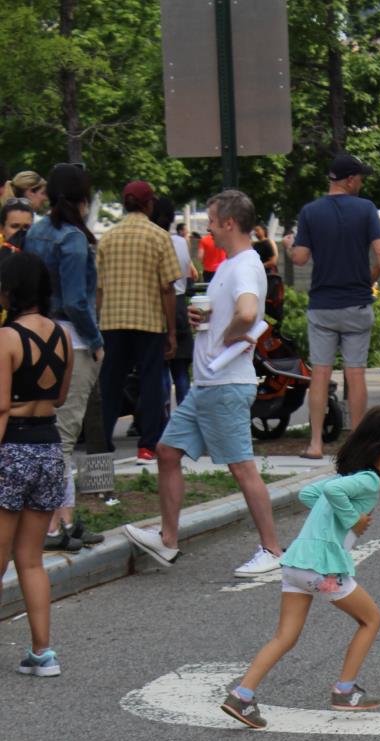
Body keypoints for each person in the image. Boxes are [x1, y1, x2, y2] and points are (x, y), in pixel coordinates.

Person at [219, 406, 380, 728]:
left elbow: (312, 493)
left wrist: (333, 511)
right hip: (323, 572)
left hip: (295, 567)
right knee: (371, 620)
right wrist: (352, 518)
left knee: (284, 636)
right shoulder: (368, 480)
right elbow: (333, 492)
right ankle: (345, 690)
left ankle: (242, 695)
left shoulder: (347, 478)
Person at [124, 189, 283, 578]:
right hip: (209, 384)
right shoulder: (233, 264)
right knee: (167, 452)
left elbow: (248, 312)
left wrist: (228, 335)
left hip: (225, 383)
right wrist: (208, 322)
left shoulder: (244, 265)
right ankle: (168, 540)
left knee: (242, 467)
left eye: (211, 220)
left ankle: (272, 549)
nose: (207, 228)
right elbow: (237, 312)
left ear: (229, 223)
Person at [286, 151, 380, 458]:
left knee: (320, 373)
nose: (361, 183)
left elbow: (300, 258)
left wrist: (289, 245)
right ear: (349, 180)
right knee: (355, 373)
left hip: (322, 305)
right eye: (360, 178)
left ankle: (315, 443)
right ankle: (356, 444)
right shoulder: (365, 209)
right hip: (356, 304)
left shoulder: (310, 211)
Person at [24, 162, 105, 550]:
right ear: (81, 198)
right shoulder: (73, 239)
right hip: (72, 341)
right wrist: (96, 339)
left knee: (47, 432)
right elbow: (76, 301)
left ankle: (64, 519)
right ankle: (55, 524)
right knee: (65, 435)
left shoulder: (36, 232)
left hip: (35, 334)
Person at [0, 252, 72, 677]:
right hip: (48, 448)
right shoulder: (62, 335)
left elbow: (0, 407)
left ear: (10, 290)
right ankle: (43, 652)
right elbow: (59, 396)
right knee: (31, 559)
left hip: (11, 449)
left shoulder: (7, 337)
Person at [96, 178, 179, 460]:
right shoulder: (159, 237)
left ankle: (102, 443)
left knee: (110, 383)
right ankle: (148, 444)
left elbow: (99, 288)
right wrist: (171, 331)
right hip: (149, 321)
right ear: (149, 204)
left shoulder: (108, 238)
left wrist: (98, 322)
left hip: (112, 322)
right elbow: (167, 288)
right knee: (150, 382)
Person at [152, 195, 194, 413]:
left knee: (159, 368)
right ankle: (185, 417)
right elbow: (187, 274)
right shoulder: (181, 242)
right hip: (179, 306)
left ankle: (163, 416)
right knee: (181, 370)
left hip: (156, 307)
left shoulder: (151, 241)